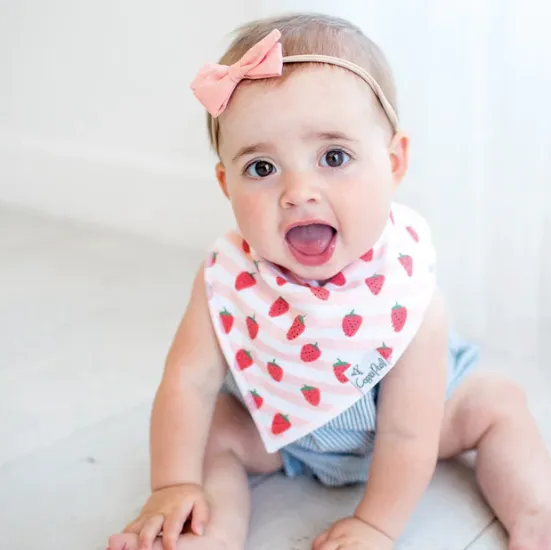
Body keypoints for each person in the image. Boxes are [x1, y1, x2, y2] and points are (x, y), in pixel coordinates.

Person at [108, 12, 551, 550]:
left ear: (393, 163)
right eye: (262, 168)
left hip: (417, 425)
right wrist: (171, 482)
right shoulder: (225, 280)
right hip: (282, 429)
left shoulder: (408, 294)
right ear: (225, 183)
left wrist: (375, 524)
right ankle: (207, 532)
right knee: (214, 433)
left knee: (496, 404)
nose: (298, 191)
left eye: (334, 157)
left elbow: (408, 432)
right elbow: (187, 383)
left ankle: (536, 513)